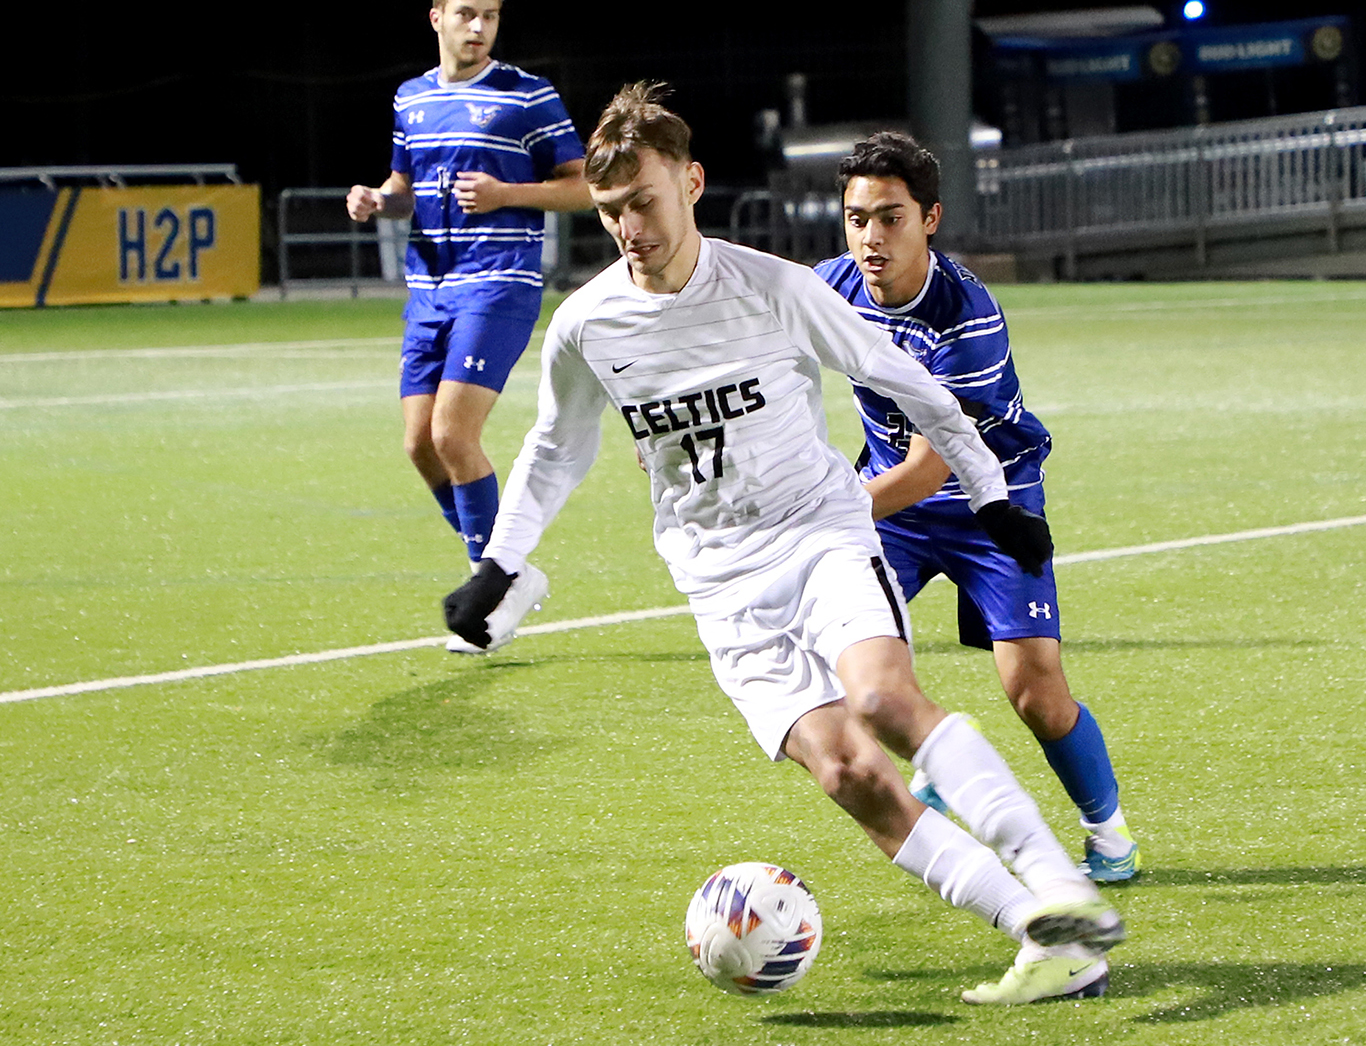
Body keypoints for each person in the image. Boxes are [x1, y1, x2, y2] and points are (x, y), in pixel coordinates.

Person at [443, 83, 1125, 1004]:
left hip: (819, 534)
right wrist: (501, 560)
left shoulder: (773, 286)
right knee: (850, 773)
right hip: (718, 584)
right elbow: (558, 446)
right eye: (609, 212)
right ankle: (1048, 941)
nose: (629, 229)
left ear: (690, 182)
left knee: (885, 699)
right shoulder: (587, 324)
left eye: (644, 202)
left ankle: (1059, 882)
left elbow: (898, 375)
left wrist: (991, 492)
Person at [814, 132, 1139, 883]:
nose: (871, 237)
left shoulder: (967, 321)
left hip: (990, 503)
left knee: (1034, 692)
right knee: (846, 668)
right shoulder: (833, 285)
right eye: (857, 218)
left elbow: (934, 468)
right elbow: (752, 332)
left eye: (890, 218)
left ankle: (1109, 833)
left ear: (930, 218)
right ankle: (942, 769)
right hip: (889, 506)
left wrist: (825, 513)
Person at [346, 0, 589, 650]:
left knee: (455, 435)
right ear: (436, 19)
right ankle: (502, 571)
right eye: (465, 14)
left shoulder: (528, 96)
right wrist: (377, 200)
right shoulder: (411, 100)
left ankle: (491, 592)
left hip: (500, 281)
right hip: (428, 288)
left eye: (488, 16)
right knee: (420, 444)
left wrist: (508, 195)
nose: (477, 28)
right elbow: (405, 185)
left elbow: (582, 189)